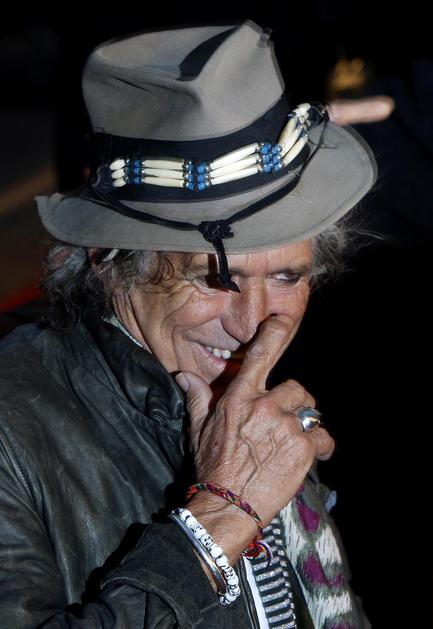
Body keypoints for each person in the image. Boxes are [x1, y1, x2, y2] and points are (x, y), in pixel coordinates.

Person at [0, 19, 377, 628]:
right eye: (214, 279)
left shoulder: (260, 404)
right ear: (110, 263)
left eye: (287, 276)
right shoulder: (11, 428)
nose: (252, 325)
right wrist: (221, 520)